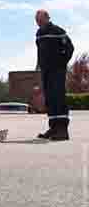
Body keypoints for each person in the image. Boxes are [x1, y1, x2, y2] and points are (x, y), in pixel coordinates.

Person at [35, 9, 74, 140]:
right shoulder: (39, 34)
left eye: (40, 19)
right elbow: (40, 53)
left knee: (58, 98)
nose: (38, 22)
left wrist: (61, 63)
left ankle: (63, 130)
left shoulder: (58, 31)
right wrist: (39, 67)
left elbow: (70, 48)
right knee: (50, 100)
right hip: (45, 70)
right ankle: (53, 128)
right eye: (36, 20)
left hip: (57, 71)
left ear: (47, 18)